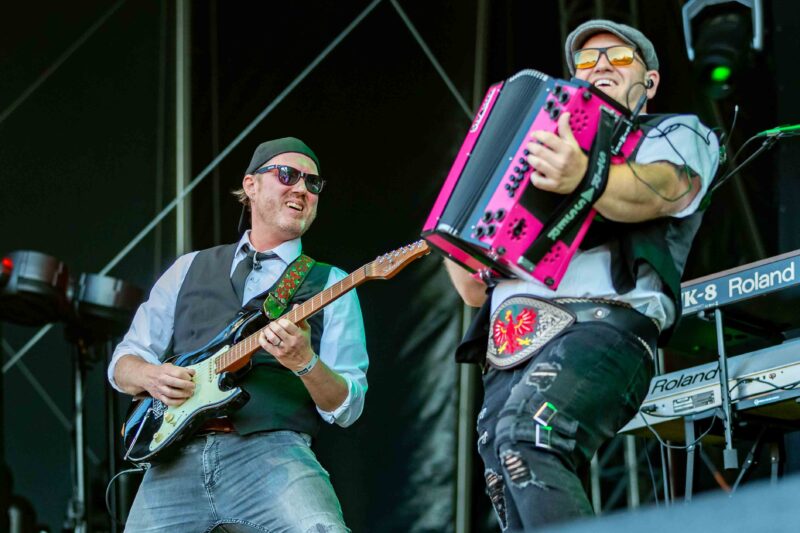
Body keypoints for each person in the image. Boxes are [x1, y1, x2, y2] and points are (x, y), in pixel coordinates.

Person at [445, 20, 720, 530]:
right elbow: (470, 290)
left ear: (650, 81)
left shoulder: (673, 133)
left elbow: (666, 189)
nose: (601, 67)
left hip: (601, 325)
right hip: (511, 342)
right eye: (587, 61)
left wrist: (585, 176)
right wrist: (454, 228)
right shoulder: (533, 157)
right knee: (506, 472)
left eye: (619, 57)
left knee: (529, 435)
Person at [108, 137, 368, 532]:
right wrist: (151, 376)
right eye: (288, 175)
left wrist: (305, 362)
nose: (301, 188)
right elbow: (123, 364)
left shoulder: (332, 284)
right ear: (251, 185)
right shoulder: (188, 268)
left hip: (275, 453)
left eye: (312, 183)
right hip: (175, 457)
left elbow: (348, 406)